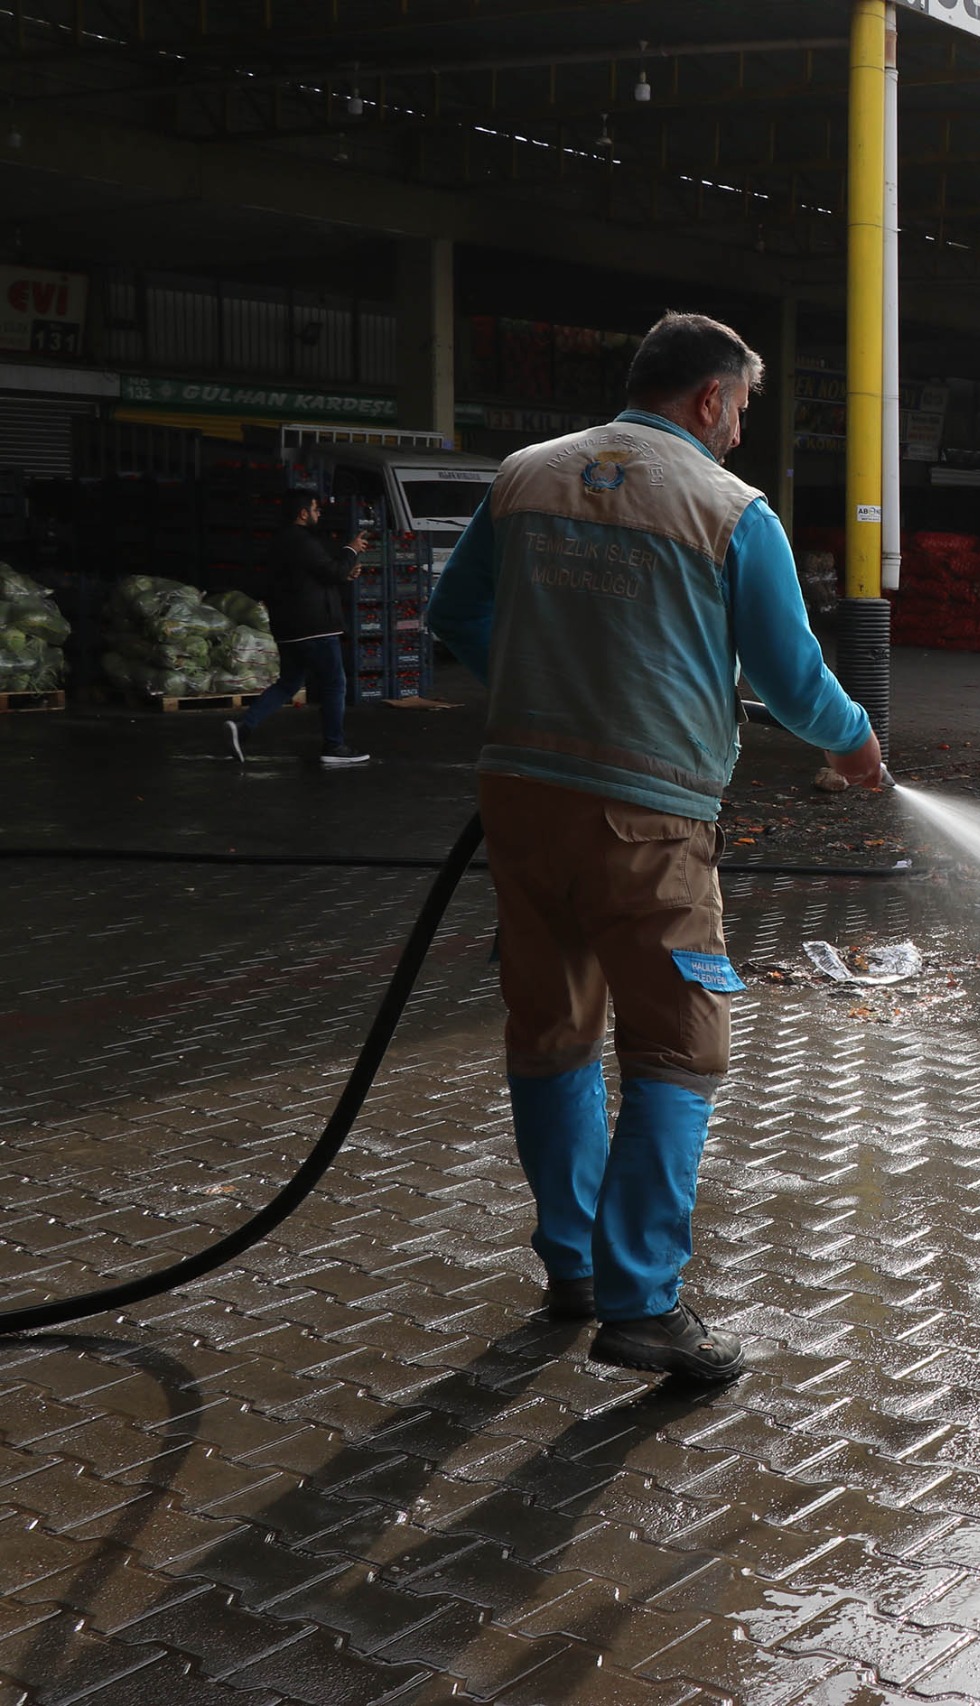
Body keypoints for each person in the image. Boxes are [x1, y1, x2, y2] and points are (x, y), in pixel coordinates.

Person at [428, 311, 885, 1384]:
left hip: (522, 799)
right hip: (648, 816)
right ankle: (642, 1302)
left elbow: (457, 612)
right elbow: (789, 672)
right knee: (681, 1045)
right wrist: (856, 744)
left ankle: (574, 1267)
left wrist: (537, 681)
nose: (736, 435)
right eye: (739, 412)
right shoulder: (731, 511)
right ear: (711, 398)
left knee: (552, 1028)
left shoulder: (526, 476)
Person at [226, 494, 372, 767]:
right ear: (303, 514)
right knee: (334, 684)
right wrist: (350, 550)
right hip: (315, 629)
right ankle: (334, 745)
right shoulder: (302, 542)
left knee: (289, 683)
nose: (319, 514)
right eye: (316, 509)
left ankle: (243, 727)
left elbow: (315, 578)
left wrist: (345, 572)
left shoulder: (279, 543)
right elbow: (329, 571)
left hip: (288, 628)